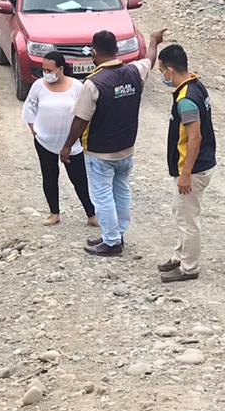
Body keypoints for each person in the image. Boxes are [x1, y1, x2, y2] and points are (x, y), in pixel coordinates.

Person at [61, 27, 167, 257]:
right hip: (126, 148)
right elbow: (149, 60)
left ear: (94, 52)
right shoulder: (134, 71)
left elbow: (81, 120)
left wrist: (67, 146)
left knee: (102, 196)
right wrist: (153, 41)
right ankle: (117, 233)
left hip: (101, 152)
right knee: (121, 190)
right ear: (116, 49)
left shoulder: (93, 83)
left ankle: (111, 242)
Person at [155, 44, 216, 282]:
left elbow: (195, 137)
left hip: (192, 168)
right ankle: (179, 255)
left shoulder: (186, 100)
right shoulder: (195, 84)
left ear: (170, 70)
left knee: (188, 219)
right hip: (199, 164)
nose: (162, 75)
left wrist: (186, 173)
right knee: (180, 211)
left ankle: (189, 267)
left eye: (161, 70)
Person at [21, 51, 98, 228]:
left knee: (79, 179)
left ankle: (91, 214)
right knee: (49, 176)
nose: (46, 73)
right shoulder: (38, 86)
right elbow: (30, 107)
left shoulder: (77, 87)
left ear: (61, 69)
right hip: (45, 141)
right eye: (43, 70)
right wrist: (34, 131)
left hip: (71, 144)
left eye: (49, 70)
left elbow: (85, 112)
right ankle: (54, 213)